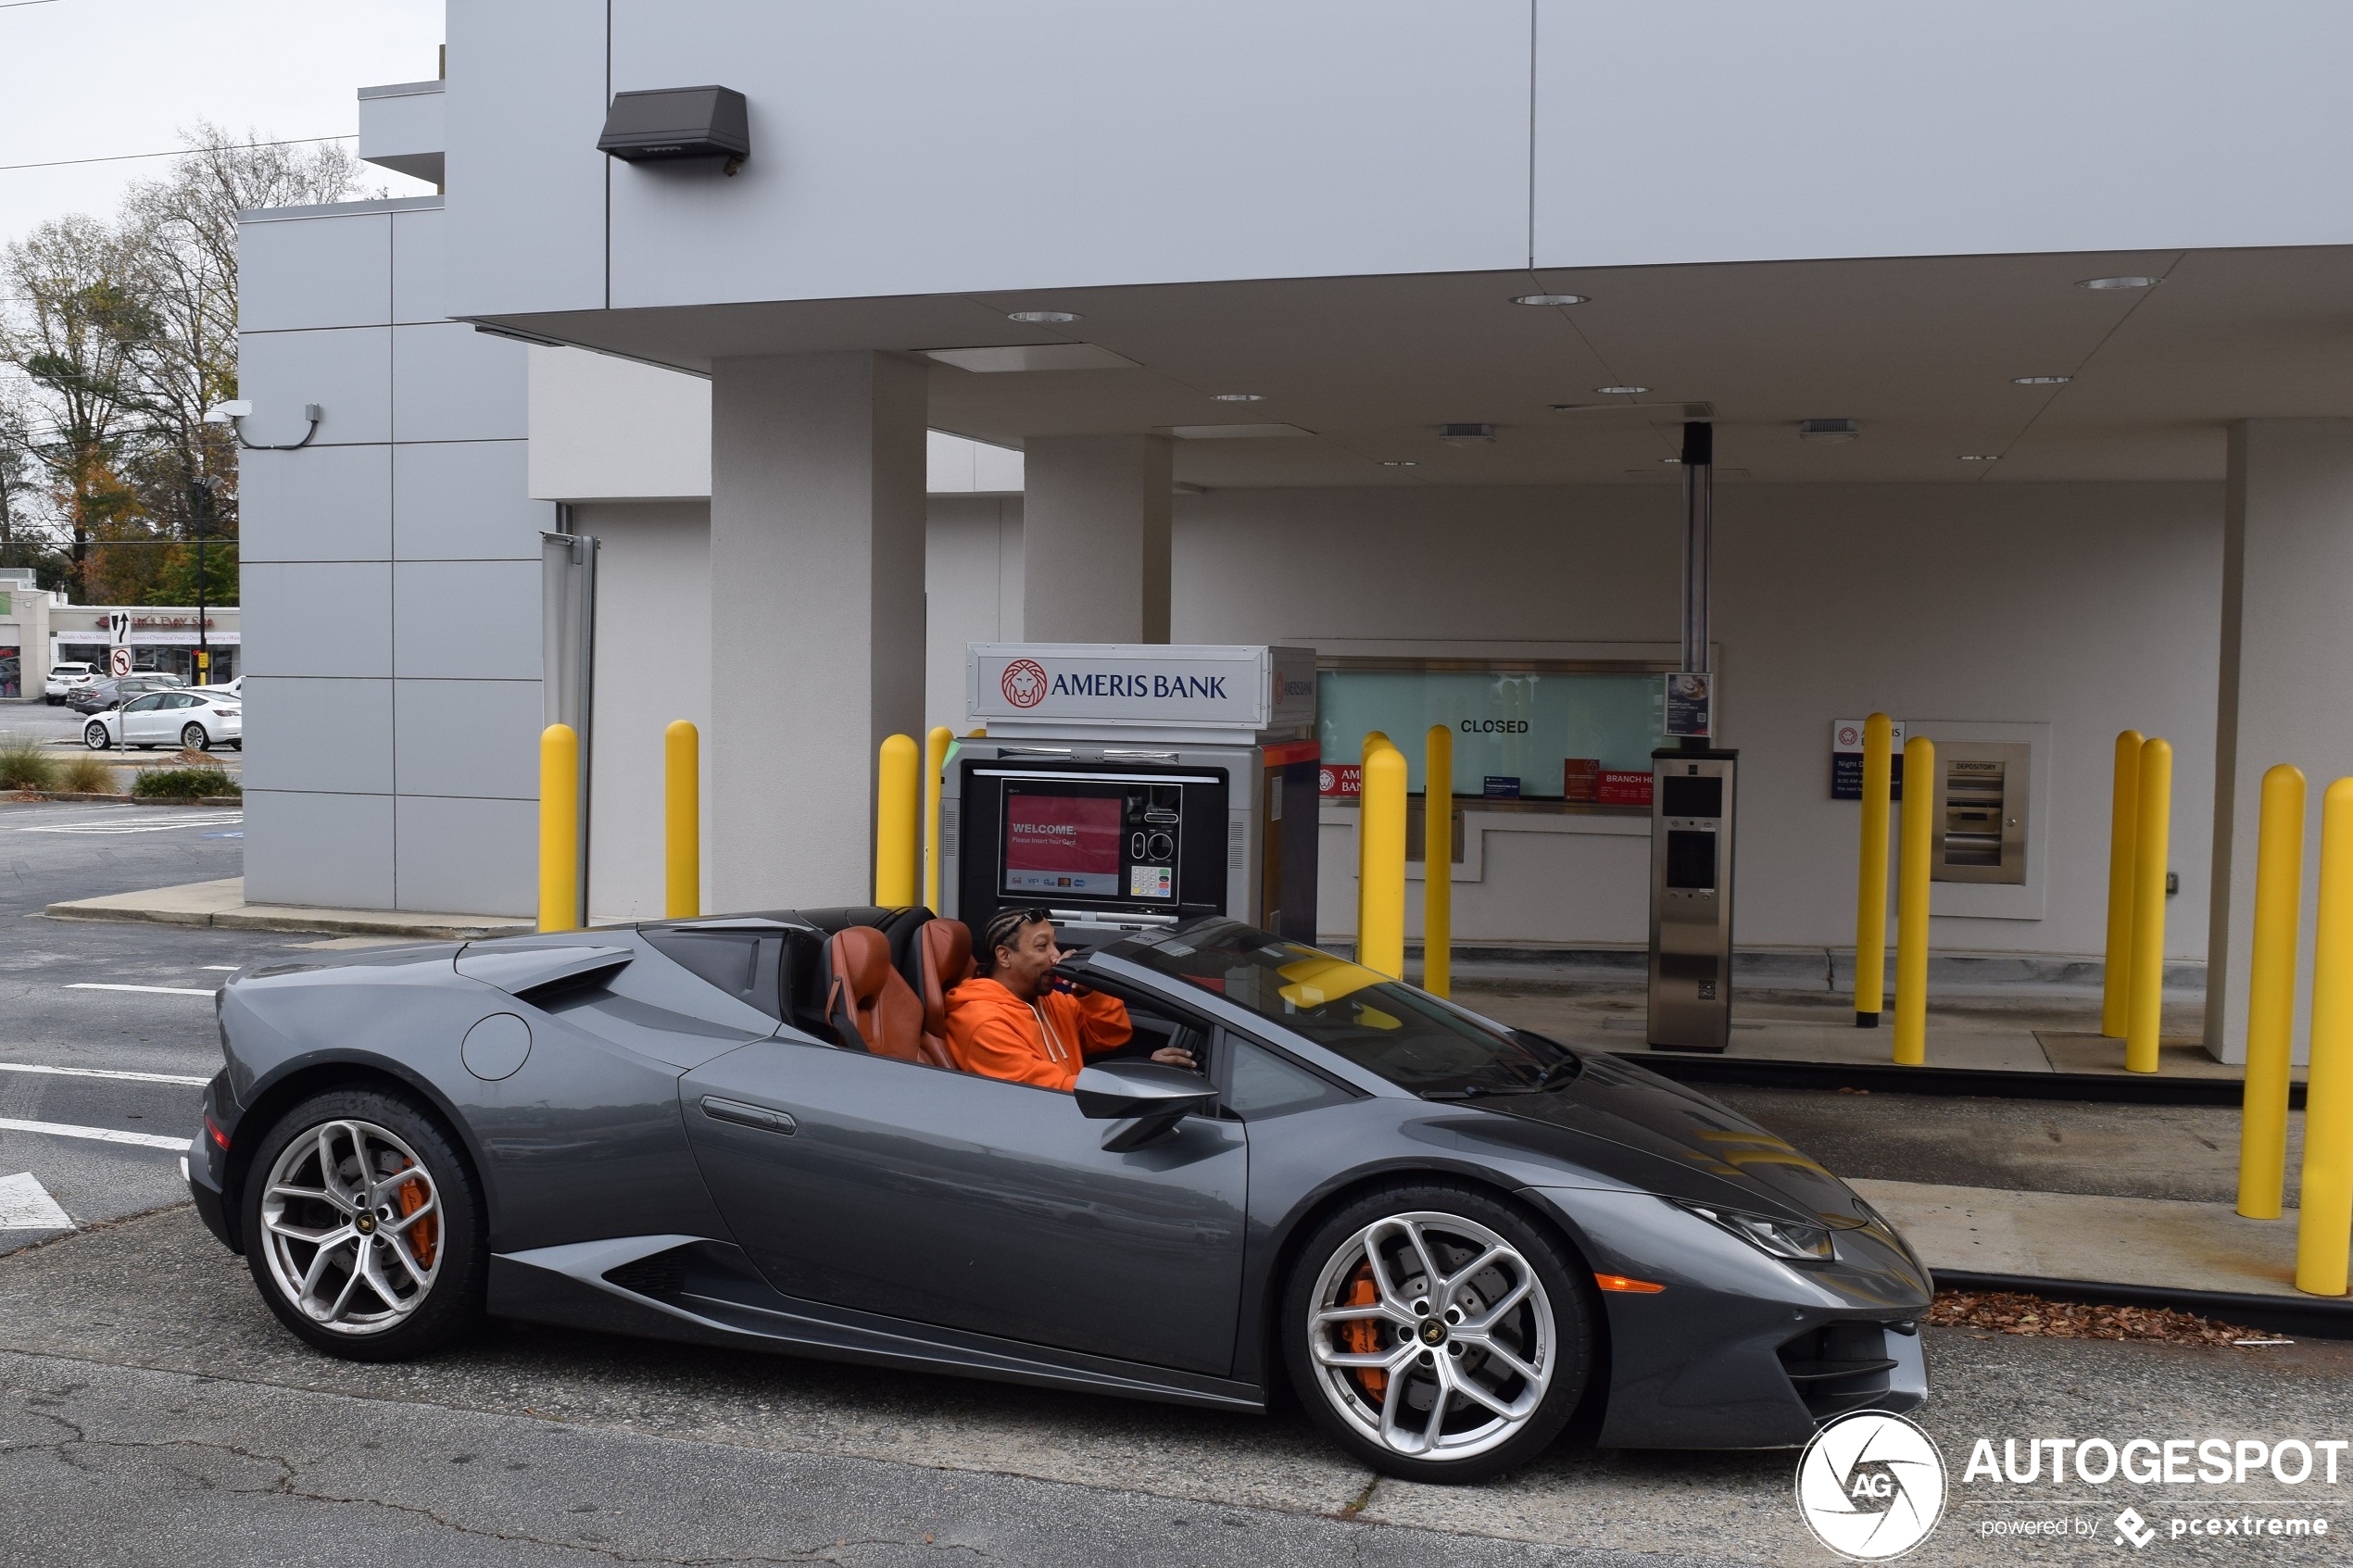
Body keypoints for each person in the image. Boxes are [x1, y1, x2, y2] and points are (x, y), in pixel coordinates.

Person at [945, 907, 1196, 1090]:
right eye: (1042, 947)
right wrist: (1142, 1079)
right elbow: (1048, 1092)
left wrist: (1089, 992)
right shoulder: (983, 1023)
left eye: (1055, 944)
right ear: (1005, 956)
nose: (1056, 955)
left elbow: (1111, 1035)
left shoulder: (1046, 1000)